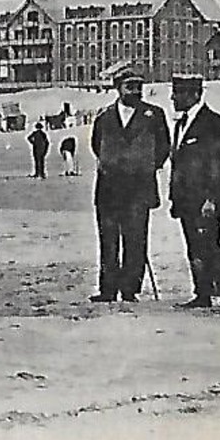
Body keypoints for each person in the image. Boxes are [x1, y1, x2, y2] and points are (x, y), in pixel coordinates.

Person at [88, 66, 172, 303]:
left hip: (139, 188)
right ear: (118, 88)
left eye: (139, 87)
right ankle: (107, 289)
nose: (136, 91)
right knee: (108, 240)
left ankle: (129, 289)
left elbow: (163, 147)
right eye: (130, 87)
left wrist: (143, 167)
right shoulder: (104, 116)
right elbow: (97, 145)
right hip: (109, 189)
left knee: (135, 241)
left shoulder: (154, 115)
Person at [168, 74, 220, 311]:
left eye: (178, 94)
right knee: (194, 247)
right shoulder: (181, 123)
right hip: (186, 199)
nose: (173, 98)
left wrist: (212, 198)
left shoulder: (213, 123)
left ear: (194, 95)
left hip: (204, 200)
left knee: (209, 245)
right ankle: (203, 292)